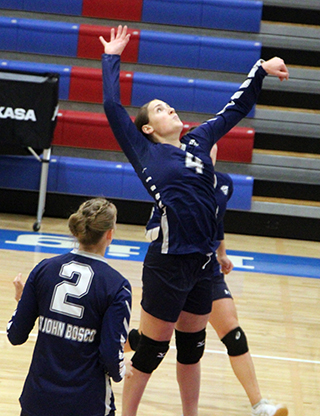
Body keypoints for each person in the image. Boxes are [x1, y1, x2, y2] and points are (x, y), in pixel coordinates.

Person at [99, 25, 289, 416]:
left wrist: (261, 69)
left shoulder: (199, 141)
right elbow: (112, 107)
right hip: (169, 262)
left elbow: (233, 109)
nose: (169, 108)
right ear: (148, 129)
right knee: (151, 350)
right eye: (158, 108)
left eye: (169, 105)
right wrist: (111, 58)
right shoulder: (145, 152)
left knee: (192, 350)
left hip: (202, 263)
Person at [130, 144, 288, 416]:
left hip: (206, 270)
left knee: (232, 334)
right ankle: (105, 349)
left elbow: (216, 220)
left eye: (210, 145)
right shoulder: (175, 180)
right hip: (172, 268)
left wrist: (222, 253)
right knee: (149, 343)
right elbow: (155, 227)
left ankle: (259, 405)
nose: (207, 150)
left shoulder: (223, 183)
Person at [7, 197, 132, 416]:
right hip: (86, 403)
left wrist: (21, 300)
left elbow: (15, 335)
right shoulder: (118, 286)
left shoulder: (43, 270)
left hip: (38, 401)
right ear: (110, 234)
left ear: (77, 231)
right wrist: (122, 370)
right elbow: (111, 354)